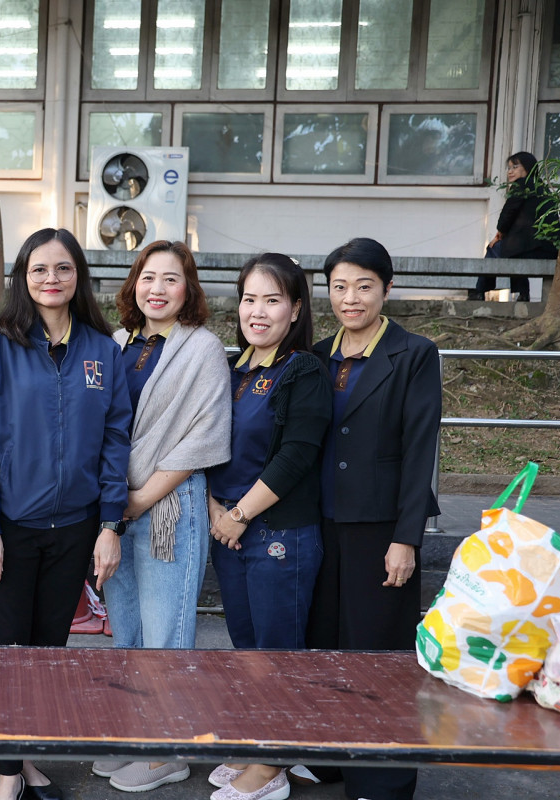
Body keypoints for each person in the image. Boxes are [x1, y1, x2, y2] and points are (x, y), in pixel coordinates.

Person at [0, 228, 132, 800]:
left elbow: (115, 439)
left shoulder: (103, 351)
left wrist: (109, 523)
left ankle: (29, 756)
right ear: (23, 278)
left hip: (76, 527)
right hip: (10, 528)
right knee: (7, 652)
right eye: (39, 269)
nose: (51, 279)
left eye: (62, 268)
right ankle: (7, 774)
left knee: (49, 651)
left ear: (78, 276)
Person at [93, 240, 231, 793]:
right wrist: (114, 505)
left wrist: (139, 499)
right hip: (115, 508)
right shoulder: (116, 342)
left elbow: (204, 436)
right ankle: (136, 738)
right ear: (134, 284)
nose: (157, 289)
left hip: (169, 506)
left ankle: (169, 751)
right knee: (126, 631)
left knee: (165, 635)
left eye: (171, 279)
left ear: (188, 289)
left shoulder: (202, 348)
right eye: (148, 277)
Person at [308, 237, 441, 800]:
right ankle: (332, 759)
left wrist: (406, 538)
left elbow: (419, 450)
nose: (351, 298)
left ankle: (383, 778)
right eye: (340, 287)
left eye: (364, 286)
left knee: (379, 655)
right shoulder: (318, 355)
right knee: (326, 646)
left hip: (381, 529)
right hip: (321, 525)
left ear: (387, 289)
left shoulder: (414, 354)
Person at [204, 253, 332, 800]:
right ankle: (261, 738)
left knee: (277, 653)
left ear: (296, 308)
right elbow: (208, 443)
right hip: (228, 530)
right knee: (247, 647)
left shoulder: (303, 370)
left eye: (272, 300)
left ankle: (273, 763)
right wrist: (216, 508)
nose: (257, 311)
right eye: (249, 299)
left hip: (278, 532)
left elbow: (295, 456)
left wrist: (238, 515)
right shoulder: (232, 368)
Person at [470, 151, 560, 302]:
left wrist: (500, 232)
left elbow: (508, 213)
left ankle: (479, 291)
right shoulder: (543, 188)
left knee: (494, 249)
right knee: (514, 251)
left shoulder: (521, 185)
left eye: (515, 167)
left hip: (533, 248)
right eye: (509, 168)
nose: (510, 171)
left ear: (528, 168)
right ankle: (523, 294)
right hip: (550, 249)